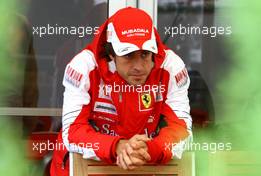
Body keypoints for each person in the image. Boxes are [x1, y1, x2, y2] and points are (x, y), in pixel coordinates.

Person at [50, 7, 192, 175]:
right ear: (111, 54)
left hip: (140, 162)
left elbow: (182, 132)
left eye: (145, 54)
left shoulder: (172, 67)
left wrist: (149, 148)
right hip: (81, 166)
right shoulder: (83, 67)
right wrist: (118, 146)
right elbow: (73, 133)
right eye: (128, 55)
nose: (138, 66)